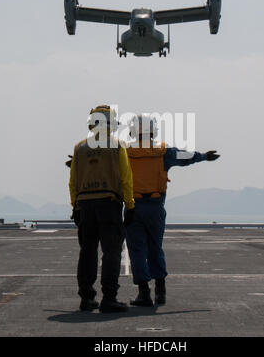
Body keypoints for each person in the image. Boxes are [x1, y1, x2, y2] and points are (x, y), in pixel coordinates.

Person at [124, 114, 220, 306]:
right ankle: (160, 290)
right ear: (153, 131)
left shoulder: (125, 153)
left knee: (136, 250)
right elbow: (186, 157)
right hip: (156, 207)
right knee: (155, 248)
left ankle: (144, 293)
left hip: (133, 208)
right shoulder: (163, 152)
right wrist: (204, 156)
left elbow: (105, 164)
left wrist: (76, 164)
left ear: (133, 131)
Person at [68, 105, 135, 313]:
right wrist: (130, 206)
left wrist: (75, 206)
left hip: (85, 205)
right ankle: (109, 298)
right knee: (111, 252)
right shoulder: (117, 145)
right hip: (109, 204)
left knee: (87, 252)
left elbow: (73, 182)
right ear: (111, 124)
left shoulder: (79, 148)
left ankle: (86, 298)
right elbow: (126, 178)